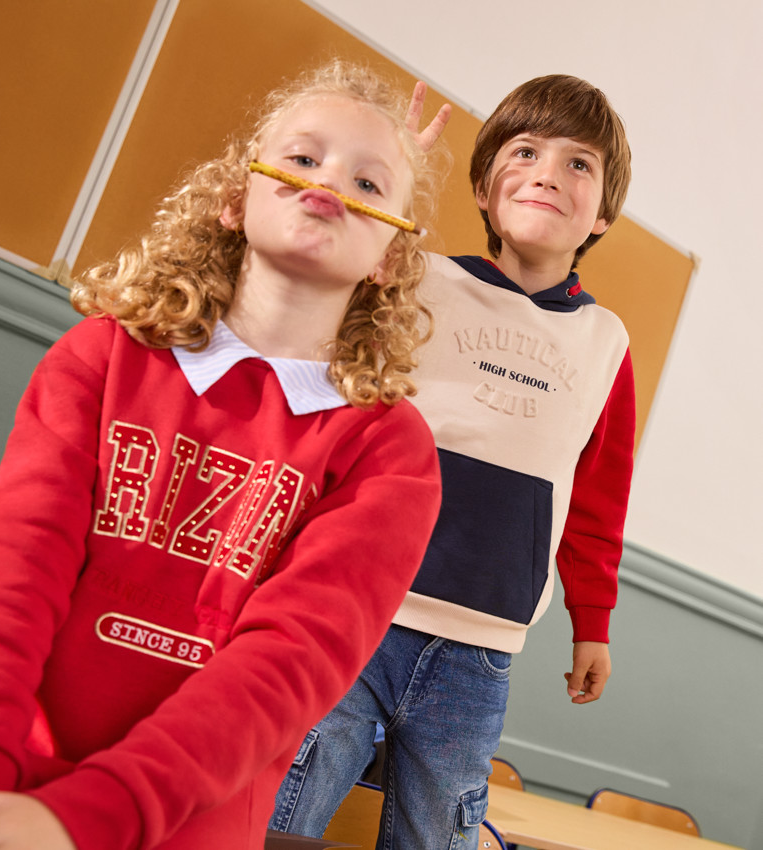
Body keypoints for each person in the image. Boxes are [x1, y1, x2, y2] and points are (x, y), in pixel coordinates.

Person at [0, 61, 444, 850]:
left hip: (182, 822)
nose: (329, 181)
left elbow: (283, 669)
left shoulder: (390, 451)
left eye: (368, 182)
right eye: (303, 157)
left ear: (389, 260)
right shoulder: (99, 358)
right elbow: (15, 580)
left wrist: (87, 815)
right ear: (235, 197)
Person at [270, 73, 635, 849]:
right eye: (525, 151)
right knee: (281, 813)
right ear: (481, 186)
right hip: (361, 612)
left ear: (603, 212)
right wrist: (390, 170)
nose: (547, 173)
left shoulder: (606, 342)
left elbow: (600, 497)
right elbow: (328, 266)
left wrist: (592, 625)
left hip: (480, 655)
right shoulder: (418, 277)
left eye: (578, 164)